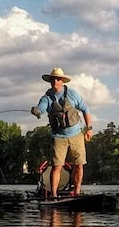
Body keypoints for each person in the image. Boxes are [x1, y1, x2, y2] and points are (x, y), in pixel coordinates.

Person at [31, 67, 92, 198]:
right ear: (50, 81)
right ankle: (53, 195)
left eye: (58, 79)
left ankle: (77, 192)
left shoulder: (73, 94)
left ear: (62, 81)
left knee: (79, 165)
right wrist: (36, 111)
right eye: (53, 79)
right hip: (58, 137)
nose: (55, 82)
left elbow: (85, 109)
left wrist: (89, 129)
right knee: (56, 166)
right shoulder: (47, 98)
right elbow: (41, 108)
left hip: (76, 135)